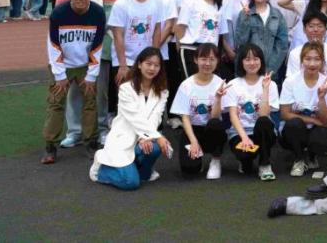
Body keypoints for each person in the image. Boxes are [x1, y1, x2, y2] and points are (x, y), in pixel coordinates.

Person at [42, 0, 106, 164]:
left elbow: (97, 45)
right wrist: (59, 74)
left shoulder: (97, 13)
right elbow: (53, 44)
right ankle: (50, 145)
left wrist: (92, 74)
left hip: (85, 64)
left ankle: (91, 141)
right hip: (63, 64)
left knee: (90, 102)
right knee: (56, 103)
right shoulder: (59, 13)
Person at [90, 47, 170, 190]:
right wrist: (155, 136)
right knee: (131, 183)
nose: (152, 68)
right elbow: (134, 117)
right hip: (124, 137)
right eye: (148, 63)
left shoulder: (162, 91)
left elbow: (156, 117)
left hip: (143, 137)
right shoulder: (126, 89)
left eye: (156, 65)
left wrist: (146, 137)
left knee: (155, 148)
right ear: (139, 64)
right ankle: (100, 171)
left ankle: (142, 173)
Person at [108, 0, 165, 124]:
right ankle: (120, 130)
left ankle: (148, 129)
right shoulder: (121, 4)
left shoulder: (157, 1)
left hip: (146, 60)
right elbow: (117, 35)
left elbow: (157, 29)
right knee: (126, 99)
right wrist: (122, 65)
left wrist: (154, 59)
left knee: (147, 97)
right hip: (126, 60)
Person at [169, 42, 228, 179]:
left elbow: (216, 117)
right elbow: (185, 117)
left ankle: (215, 160)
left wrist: (218, 98)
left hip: (211, 128)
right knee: (189, 169)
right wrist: (194, 141)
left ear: (217, 61)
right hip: (192, 129)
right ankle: (197, 161)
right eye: (203, 59)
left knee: (216, 124)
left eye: (212, 59)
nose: (207, 63)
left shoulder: (220, 83)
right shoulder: (186, 85)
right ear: (196, 60)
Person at [280, 41, 327, 177]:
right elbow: (285, 114)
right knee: (294, 124)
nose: (312, 64)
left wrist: (321, 99)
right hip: (294, 129)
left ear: (322, 62)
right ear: (302, 61)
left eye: (317, 59)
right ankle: (298, 159)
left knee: (321, 134)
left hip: (315, 130)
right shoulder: (290, 81)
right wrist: (312, 120)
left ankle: (311, 157)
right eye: (308, 59)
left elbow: (325, 120)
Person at [224, 43, 280, 180]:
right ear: (241, 62)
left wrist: (265, 89)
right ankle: (245, 162)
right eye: (247, 59)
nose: (252, 63)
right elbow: (233, 116)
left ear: (261, 61)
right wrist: (244, 138)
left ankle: (265, 164)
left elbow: (264, 115)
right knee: (245, 155)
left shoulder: (270, 84)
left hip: (263, 132)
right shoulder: (233, 85)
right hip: (240, 133)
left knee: (263, 121)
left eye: (256, 59)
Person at [234, 0, 290, 83]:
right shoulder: (244, 13)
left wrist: (270, 68)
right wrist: (245, 19)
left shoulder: (276, 15)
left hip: (271, 71)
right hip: (247, 69)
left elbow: (282, 45)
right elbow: (240, 42)